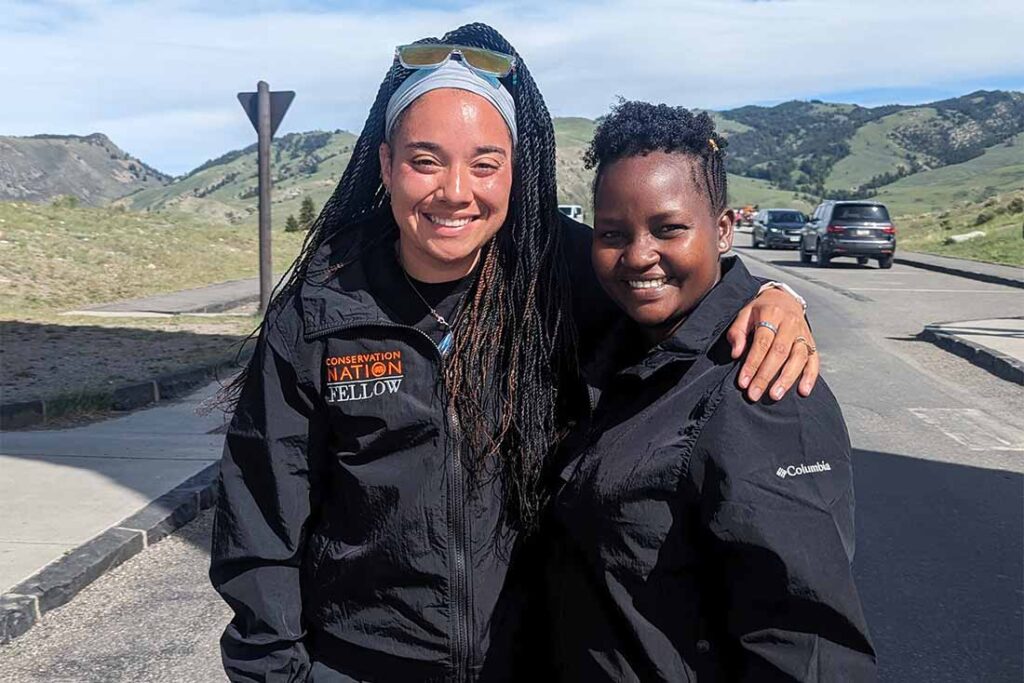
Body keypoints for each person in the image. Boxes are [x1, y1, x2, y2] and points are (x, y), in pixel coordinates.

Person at [209, 25, 818, 682]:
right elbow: (260, 517)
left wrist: (770, 295)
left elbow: (671, 282)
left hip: (534, 659)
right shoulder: (322, 309)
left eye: (484, 163)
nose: (455, 191)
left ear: (515, 169)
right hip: (360, 663)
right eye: (425, 160)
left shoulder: (559, 276)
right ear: (385, 165)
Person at [542, 101, 875, 681]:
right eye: (612, 234)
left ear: (722, 230)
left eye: (669, 229)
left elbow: (804, 645)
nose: (639, 255)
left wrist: (779, 296)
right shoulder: (619, 344)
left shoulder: (764, 387)